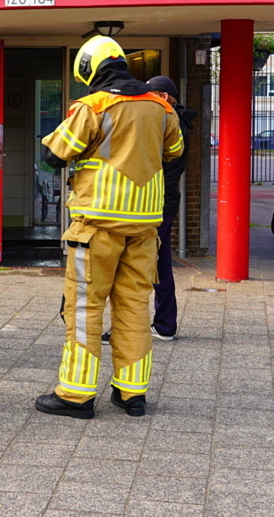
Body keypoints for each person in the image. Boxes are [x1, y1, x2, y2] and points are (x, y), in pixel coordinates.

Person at [34, 36, 184, 420]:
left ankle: (76, 394)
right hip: (145, 226)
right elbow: (175, 152)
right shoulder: (161, 106)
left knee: (85, 307)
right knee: (134, 306)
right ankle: (132, 393)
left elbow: (52, 156)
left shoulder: (93, 105)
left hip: (97, 225)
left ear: (88, 69)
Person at [101, 75, 195, 344]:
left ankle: (133, 327)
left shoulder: (172, 124)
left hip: (157, 205)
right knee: (158, 263)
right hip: (161, 203)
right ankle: (164, 325)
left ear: (164, 97)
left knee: (137, 266)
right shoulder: (170, 122)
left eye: (150, 96)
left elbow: (158, 168)